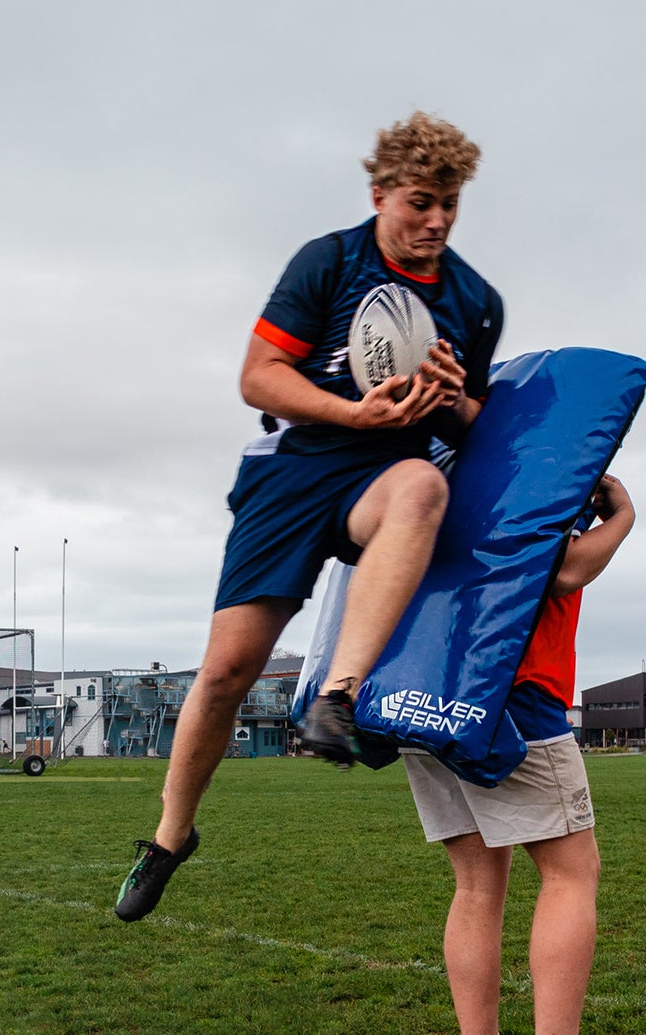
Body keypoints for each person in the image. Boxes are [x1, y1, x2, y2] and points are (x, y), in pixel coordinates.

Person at [116, 113, 504, 923]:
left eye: (451, 205)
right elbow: (258, 377)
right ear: (380, 193)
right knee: (225, 671)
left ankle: (338, 696)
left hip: (388, 472)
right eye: (421, 202)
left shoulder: (474, 301)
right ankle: (169, 835)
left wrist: (450, 399)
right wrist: (350, 411)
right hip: (298, 466)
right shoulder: (329, 261)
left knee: (421, 490)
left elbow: (478, 430)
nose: (436, 221)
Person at [403, 474, 638, 1035]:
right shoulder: (525, 480)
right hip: (514, 698)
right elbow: (564, 570)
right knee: (570, 874)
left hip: (424, 698)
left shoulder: (434, 482)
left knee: (476, 885)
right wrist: (619, 518)